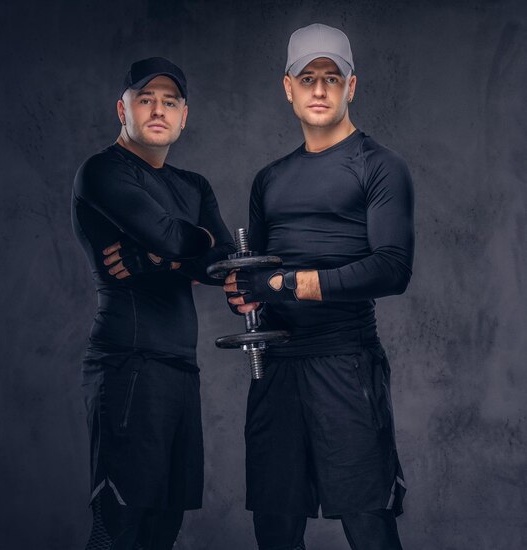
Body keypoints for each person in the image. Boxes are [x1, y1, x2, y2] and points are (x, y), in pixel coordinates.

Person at [224, 24, 415, 550]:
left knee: (369, 525)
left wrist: (282, 283)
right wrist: (242, 292)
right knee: (275, 528)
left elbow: (391, 269)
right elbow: (253, 278)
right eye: (307, 77)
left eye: (333, 77)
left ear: (352, 86)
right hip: (275, 371)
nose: (319, 89)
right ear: (287, 86)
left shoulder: (379, 167)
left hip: (345, 366)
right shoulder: (269, 179)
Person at [72, 57, 234, 550]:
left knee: (164, 526)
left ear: (184, 116)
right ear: (122, 109)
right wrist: (181, 247)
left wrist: (155, 258)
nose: (157, 110)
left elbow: (222, 260)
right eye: (145, 100)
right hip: (128, 364)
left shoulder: (194, 186)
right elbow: (171, 237)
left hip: (181, 369)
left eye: (169, 102)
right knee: (119, 526)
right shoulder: (102, 171)